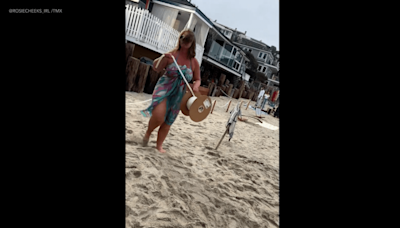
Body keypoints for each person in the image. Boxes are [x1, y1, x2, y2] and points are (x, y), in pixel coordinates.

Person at [140, 30, 201, 153]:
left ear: (191, 43)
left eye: (187, 42)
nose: (184, 44)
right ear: (180, 40)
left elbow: (198, 79)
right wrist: (163, 57)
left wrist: (196, 85)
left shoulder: (194, 62)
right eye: (183, 41)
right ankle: (148, 133)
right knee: (159, 116)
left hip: (180, 94)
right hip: (165, 88)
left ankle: (159, 145)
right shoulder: (172, 55)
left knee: (169, 120)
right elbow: (156, 68)